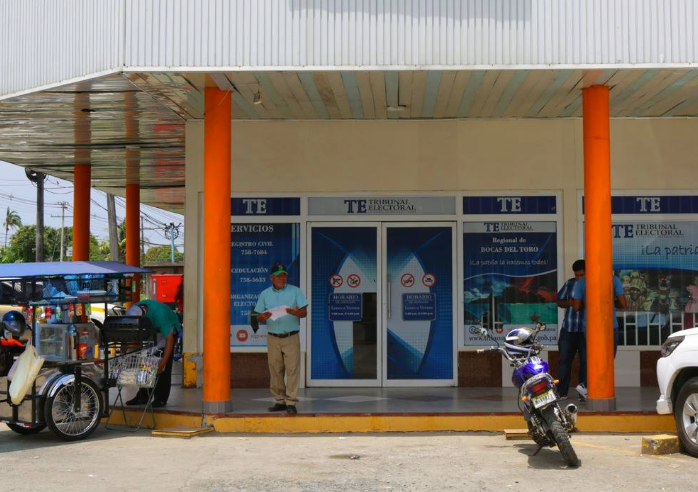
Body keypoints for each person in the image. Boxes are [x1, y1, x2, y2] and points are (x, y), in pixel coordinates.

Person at [253, 263, 308, 415]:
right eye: (278, 276)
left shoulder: (295, 291)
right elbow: (258, 316)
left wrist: (295, 312)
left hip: (291, 336)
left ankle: (291, 402)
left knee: (292, 369)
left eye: (284, 275)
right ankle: (280, 401)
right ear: (271, 277)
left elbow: (304, 312)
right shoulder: (265, 294)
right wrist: (262, 317)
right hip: (273, 337)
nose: (281, 278)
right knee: (275, 370)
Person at [572, 271, 628, 399]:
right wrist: (610, 301)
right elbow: (624, 304)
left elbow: (576, 306)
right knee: (608, 359)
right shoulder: (614, 280)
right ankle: (589, 386)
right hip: (610, 325)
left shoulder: (581, 282)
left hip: (589, 326)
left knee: (593, 358)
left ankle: (588, 386)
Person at [125, 299, 182, 408]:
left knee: (162, 365)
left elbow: (169, 339)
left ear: (144, 315)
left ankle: (161, 398)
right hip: (153, 330)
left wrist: (163, 362)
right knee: (146, 362)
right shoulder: (133, 310)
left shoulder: (158, 314)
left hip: (169, 330)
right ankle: (143, 396)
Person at [556, 260, 587, 402]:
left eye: (582, 275)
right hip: (568, 329)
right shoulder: (569, 283)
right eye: (577, 275)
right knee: (564, 361)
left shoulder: (592, 285)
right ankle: (561, 392)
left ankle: (583, 393)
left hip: (585, 331)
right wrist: (569, 302)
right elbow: (559, 301)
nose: (579, 278)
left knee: (586, 362)